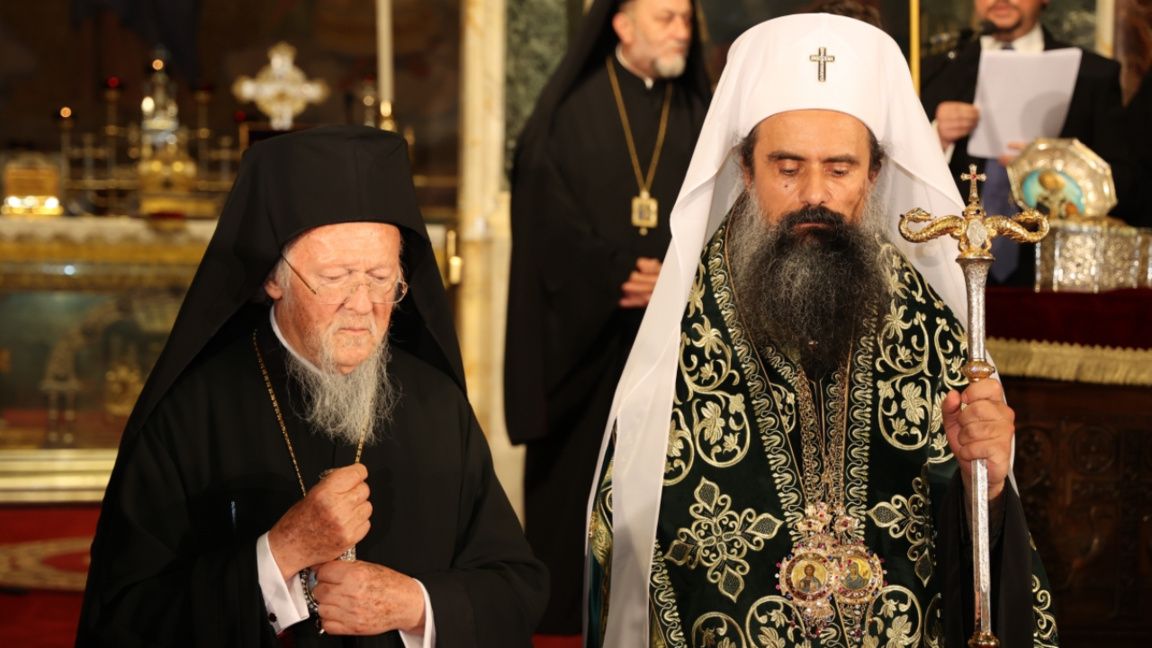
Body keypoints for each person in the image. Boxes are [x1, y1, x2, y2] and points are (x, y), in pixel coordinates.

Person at [586, 15, 1058, 647]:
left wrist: (990, 487)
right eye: (787, 167)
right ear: (746, 170)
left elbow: (973, 549)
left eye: (840, 169)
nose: (815, 195)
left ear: (874, 175)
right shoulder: (686, 335)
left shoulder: (927, 325)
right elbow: (628, 537)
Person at [76, 126, 548, 647]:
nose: (362, 304)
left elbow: (515, 587)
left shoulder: (437, 404)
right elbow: (125, 614)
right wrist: (276, 557)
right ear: (272, 278)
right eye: (335, 276)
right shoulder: (190, 412)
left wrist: (415, 605)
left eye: (381, 277)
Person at [505, 0, 711, 634]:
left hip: (671, 335)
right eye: (666, 18)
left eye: (685, 19)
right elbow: (544, 211)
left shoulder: (698, 112)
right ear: (622, 24)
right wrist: (615, 272)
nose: (681, 31)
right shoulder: (572, 110)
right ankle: (566, 623)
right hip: (585, 340)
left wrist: (673, 274)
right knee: (575, 483)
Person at [920, 0, 1131, 285]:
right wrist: (937, 136)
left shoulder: (1093, 73)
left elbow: (1126, 182)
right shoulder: (935, 70)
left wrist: (1058, 167)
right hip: (950, 265)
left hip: (1054, 270)